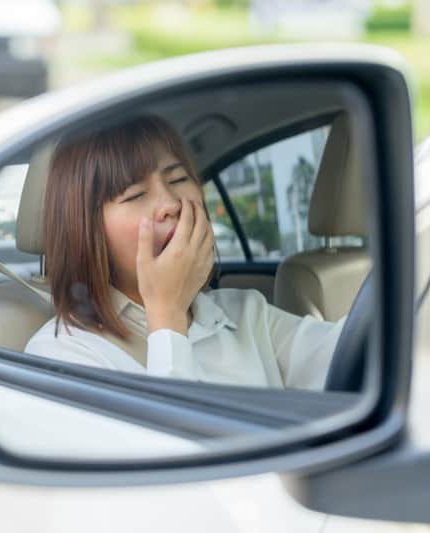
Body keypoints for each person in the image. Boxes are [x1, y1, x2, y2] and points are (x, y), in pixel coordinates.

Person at [25, 115, 346, 390]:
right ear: (85, 229)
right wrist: (167, 314)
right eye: (135, 194)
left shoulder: (247, 313)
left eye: (178, 178)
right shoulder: (62, 355)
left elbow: (354, 353)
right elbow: (171, 454)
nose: (171, 204)